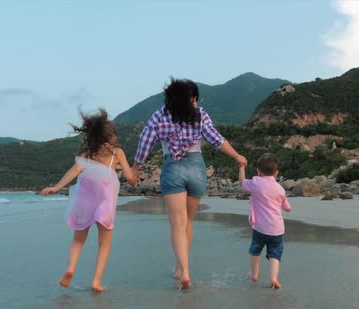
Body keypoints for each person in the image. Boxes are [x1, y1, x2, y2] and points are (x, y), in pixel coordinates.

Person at [132, 78, 247, 289]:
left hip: (172, 168)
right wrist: (237, 156)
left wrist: (136, 168)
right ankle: (180, 267)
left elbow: (145, 141)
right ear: (193, 98)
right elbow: (216, 139)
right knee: (188, 222)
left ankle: (184, 271)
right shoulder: (200, 114)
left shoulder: (160, 115)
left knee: (177, 222)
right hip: (196, 169)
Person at [41, 108, 137, 292]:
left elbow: (75, 171)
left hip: (84, 197)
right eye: (114, 134)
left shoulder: (87, 153)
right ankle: (96, 281)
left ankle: (70, 268)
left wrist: (56, 187)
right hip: (105, 200)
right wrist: (134, 176)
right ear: (110, 137)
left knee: (78, 239)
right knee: (104, 242)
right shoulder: (117, 153)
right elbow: (130, 178)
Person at [238, 153, 292, 289]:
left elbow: (242, 184)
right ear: (276, 173)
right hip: (277, 229)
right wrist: (287, 207)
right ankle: (273, 278)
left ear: (258, 171)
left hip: (260, 228)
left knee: (255, 250)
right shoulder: (279, 189)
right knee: (275, 254)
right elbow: (287, 207)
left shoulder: (255, 183)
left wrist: (242, 168)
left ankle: (254, 274)